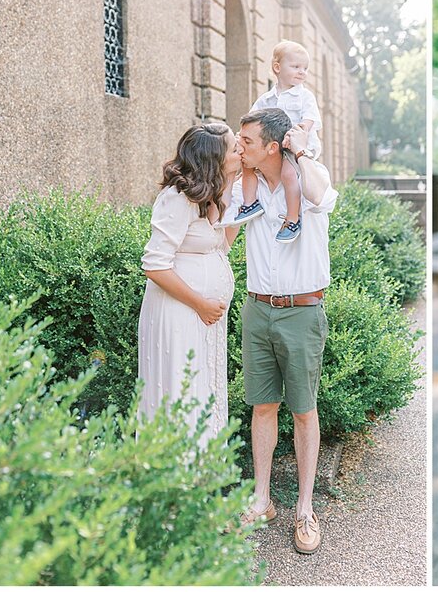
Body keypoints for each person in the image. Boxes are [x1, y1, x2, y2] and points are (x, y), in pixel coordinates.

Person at [231, 108, 337, 555]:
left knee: (304, 411)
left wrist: (300, 148)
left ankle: (305, 508)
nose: (241, 147)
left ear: (273, 146)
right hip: (257, 310)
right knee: (262, 407)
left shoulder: (308, 179)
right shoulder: (246, 187)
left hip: (301, 312)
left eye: (248, 142)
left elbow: (320, 193)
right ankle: (261, 500)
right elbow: (224, 231)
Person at [138, 122, 243, 448]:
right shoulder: (176, 199)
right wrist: (200, 303)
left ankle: (204, 475)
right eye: (233, 147)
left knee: (205, 389)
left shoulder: (210, 196)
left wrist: (229, 192)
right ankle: (177, 480)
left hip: (204, 317)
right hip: (180, 313)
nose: (240, 149)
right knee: (183, 390)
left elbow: (222, 246)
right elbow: (155, 265)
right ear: (214, 157)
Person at [224, 40, 322, 246]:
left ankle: (293, 218)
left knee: (288, 174)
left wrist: (297, 134)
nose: (302, 72)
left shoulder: (304, 96)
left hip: (295, 145)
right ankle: (250, 203)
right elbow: (251, 118)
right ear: (277, 68)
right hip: (272, 145)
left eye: (305, 68)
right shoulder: (267, 98)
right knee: (247, 163)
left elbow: (310, 120)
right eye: (296, 67)